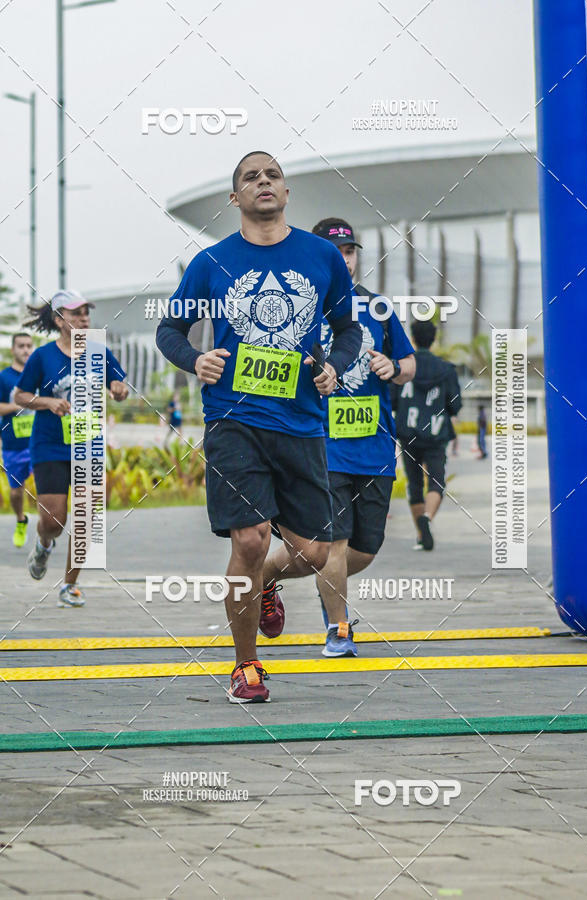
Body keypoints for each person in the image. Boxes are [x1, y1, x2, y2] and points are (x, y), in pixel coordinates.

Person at [156, 151, 361, 703]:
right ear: (235, 198)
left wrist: (335, 367)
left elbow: (348, 331)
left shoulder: (322, 257)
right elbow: (169, 330)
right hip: (233, 420)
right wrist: (194, 360)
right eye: (251, 177)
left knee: (316, 554)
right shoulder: (211, 263)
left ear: (286, 192)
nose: (263, 182)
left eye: (272, 175)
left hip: (300, 424)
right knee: (249, 539)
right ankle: (246, 667)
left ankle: (266, 582)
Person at [309, 217, 415, 656]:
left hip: (373, 445)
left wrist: (394, 369)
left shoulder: (378, 309)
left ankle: (270, 576)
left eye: (349, 252)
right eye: (335, 252)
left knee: (365, 549)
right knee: (333, 541)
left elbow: (409, 364)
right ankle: (339, 628)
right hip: (320, 443)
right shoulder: (298, 311)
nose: (344, 260)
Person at [15, 290, 128, 606]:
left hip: (88, 443)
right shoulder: (43, 356)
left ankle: (69, 585)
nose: (83, 318)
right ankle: (43, 543)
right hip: (50, 445)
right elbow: (20, 396)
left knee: (87, 517)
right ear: (58, 319)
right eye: (76, 313)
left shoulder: (99, 353)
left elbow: (119, 386)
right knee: (54, 521)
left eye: (86, 313)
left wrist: (119, 390)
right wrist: (48, 402)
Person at [395, 320, 462, 551]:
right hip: (436, 434)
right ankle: (428, 519)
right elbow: (455, 405)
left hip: (408, 433)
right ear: (433, 339)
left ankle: (421, 536)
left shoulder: (404, 368)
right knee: (436, 481)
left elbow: (393, 400)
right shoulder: (446, 370)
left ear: (413, 338)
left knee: (414, 484)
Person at [0, 333, 34, 546]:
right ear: (13, 349)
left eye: (29, 346)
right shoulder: (4, 377)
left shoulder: (38, 375)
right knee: (16, 491)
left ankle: (46, 527)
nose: (26, 350)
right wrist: (19, 406)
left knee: (47, 487)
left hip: (40, 442)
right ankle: (21, 520)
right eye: (21, 346)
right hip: (14, 443)